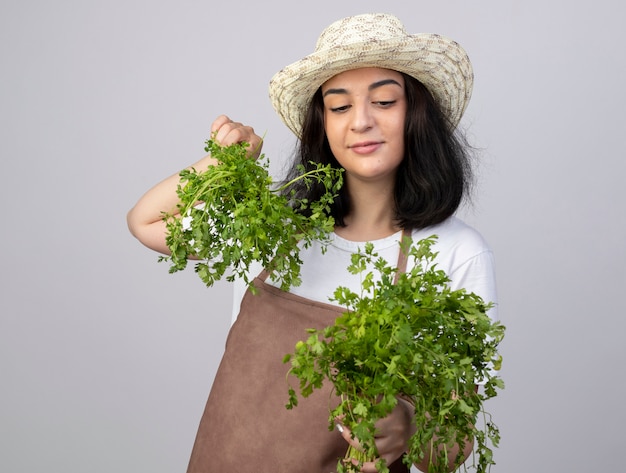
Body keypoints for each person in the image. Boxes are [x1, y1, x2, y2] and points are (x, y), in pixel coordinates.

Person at [127, 12, 497, 473]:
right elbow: (146, 222)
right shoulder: (274, 226)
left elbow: (452, 444)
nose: (360, 121)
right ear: (323, 126)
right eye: (339, 107)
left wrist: (407, 423)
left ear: (416, 114)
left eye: (384, 101)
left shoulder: (455, 252)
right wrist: (225, 162)